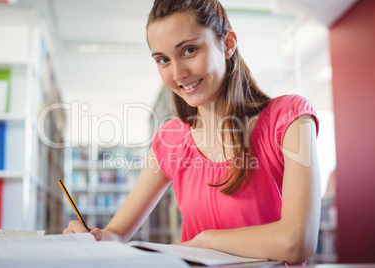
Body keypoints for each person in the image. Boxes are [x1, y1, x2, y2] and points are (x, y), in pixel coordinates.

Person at [63, 0, 321, 265]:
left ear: (228, 44)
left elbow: (297, 241)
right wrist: (94, 237)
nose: (177, 73)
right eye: (163, 60)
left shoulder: (289, 117)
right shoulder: (170, 139)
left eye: (189, 50)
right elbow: (116, 234)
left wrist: (207, 241)